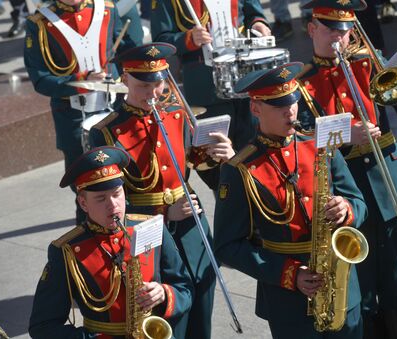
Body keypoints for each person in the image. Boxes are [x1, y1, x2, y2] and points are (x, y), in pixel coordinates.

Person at [296, 0, 397, 337]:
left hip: (388, 182)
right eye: (330, 29)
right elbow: (299, 139)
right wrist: (344, 135)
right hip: (346, 188)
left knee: (393, 282)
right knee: (363, 286)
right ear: (312, 30)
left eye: (345, 30)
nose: (339, 38)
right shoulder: (300, 84)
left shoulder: (368, 63)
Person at [89, 42, 233, 339]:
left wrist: (220, 157)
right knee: (168, 308)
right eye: (144, 85)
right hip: (146, 232)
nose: (153, 93)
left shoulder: (177, 115)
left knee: (202, 294)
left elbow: (199, 167)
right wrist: (164, 213)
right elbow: (109, 200)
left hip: (191, 222)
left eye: (158, 83)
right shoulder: (106, 131)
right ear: (125, 79)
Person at [214, 63, 368, 338]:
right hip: (288, 302)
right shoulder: (239, 169)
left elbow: (357, 200)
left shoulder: (319, 145)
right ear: (255, 108)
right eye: (279, 105)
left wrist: (346, 209)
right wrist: (289, 274)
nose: (291, 111)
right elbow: (227, 246)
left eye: (293, 101)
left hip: (344, 290)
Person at [29, 146, 193, 338]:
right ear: (83, 203)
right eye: (100, 199)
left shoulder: (152, 226)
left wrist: (164, 294)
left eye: (117, 194)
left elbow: (185, 287)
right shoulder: (67, 251)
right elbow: (43, 327)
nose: (113, 205)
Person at [23, 0, 137, 224]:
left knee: (127, 185)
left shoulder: (106, 9)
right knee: (87, 194)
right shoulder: (39, 23)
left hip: (114, 111)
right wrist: (78, 81)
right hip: (73, 118)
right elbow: (40, 79)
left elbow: (125, 51)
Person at [150, 0, 271, 190]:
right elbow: (160, 40)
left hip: (245, 78)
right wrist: (188, 38)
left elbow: (251, 13)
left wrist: (258, 23)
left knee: (256, 152)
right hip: (205, 87)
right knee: (218, 166)